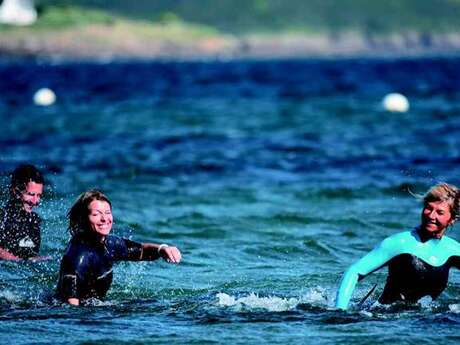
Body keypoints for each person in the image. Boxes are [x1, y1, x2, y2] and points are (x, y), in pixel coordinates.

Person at [336, 182, 460, 310]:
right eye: (428, 208)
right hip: (385, 320)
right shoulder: (399, 243)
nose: (431, 215)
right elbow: (354, 272)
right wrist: (340, 312)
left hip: (425, 323)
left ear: (452, 219)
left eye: (439, 212)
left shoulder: (454, 250)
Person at [56, 189, 182, 306]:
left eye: (107, 213)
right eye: (96, 214)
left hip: (95, 308)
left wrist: (162, 249)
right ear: (83, 219)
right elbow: (70, 306)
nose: (105, 219)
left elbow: (142, 251)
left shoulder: (110, 244)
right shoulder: (78, 255)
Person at [0, 164, 45, 260]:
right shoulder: (3, 217)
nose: (35, 201)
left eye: (39, 195)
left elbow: (31, 255)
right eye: (31, 194)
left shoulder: (34, 220)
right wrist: (17, 260)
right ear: (16, 192)